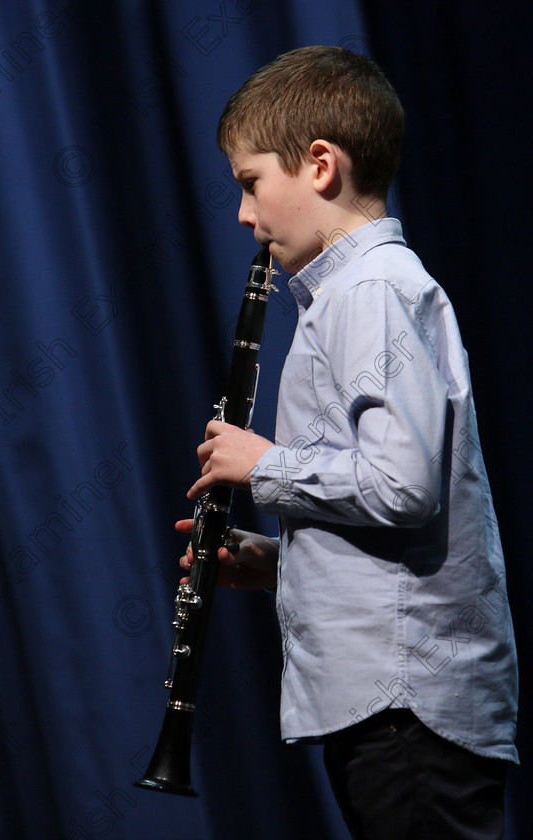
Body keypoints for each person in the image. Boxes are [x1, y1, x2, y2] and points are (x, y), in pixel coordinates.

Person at [177, 46, 519, 839]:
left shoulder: (369, 291)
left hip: (407, 708)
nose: (243, 214)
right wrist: (279, 563)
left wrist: (264, 467)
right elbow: (391, 512)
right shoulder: (351, 296)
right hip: (391, 706)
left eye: (251, 182)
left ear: (321, 165)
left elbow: (402, 487)